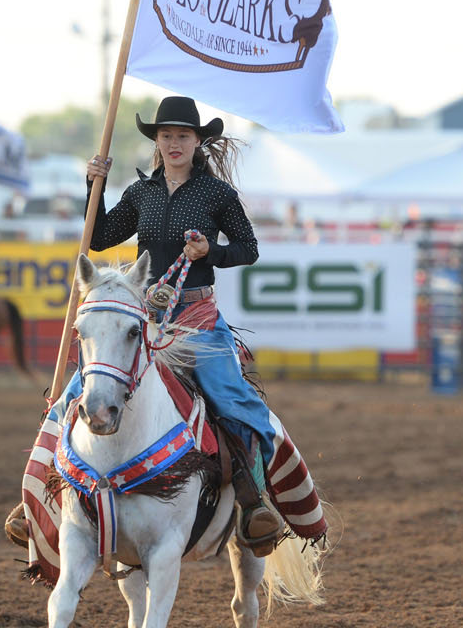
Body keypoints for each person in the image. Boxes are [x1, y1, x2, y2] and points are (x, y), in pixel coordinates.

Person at [15, 95, 282, 555]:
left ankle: (253, 499)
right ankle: (38, 495)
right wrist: (91, 187)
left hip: (197, 320)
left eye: (182, 135)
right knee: (73, 393)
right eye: (166, 135)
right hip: (143, 320)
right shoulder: (141, 194)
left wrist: (210, 254)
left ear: (198, 142)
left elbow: (248, 248)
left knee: (232, 396)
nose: (173, 143)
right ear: (156, 142)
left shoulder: (218, 195)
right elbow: (98, 238)